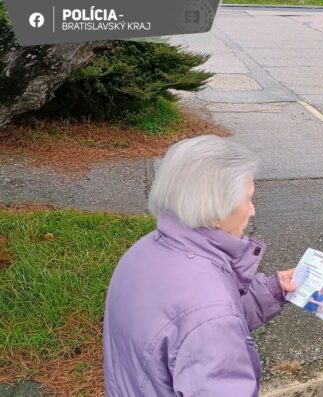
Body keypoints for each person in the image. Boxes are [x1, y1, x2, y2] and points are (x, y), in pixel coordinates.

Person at [103, 135, 296, 396]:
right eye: (248, 199)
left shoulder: (144, 251)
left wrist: (273, 290)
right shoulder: (210, 313)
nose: (253, 211)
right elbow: (207, 320)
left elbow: (187, 323)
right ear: (215, 211)